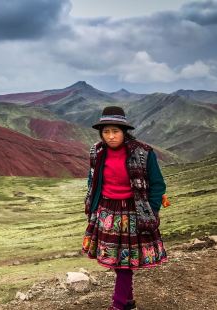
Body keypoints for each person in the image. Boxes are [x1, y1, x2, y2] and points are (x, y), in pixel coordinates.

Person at [81, 106, 168, 310]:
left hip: (133, 213)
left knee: (124, 264)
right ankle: (128, 301)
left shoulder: (143, 153)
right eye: (106, 131)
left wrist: (151, 210)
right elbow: (92, 178)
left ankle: (118, 305)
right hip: (106, 212)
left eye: (115, 131)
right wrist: (94, 204)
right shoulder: (97, 151)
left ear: (124, 131)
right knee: (115, 260)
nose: (111, 136)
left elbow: (158, 184)